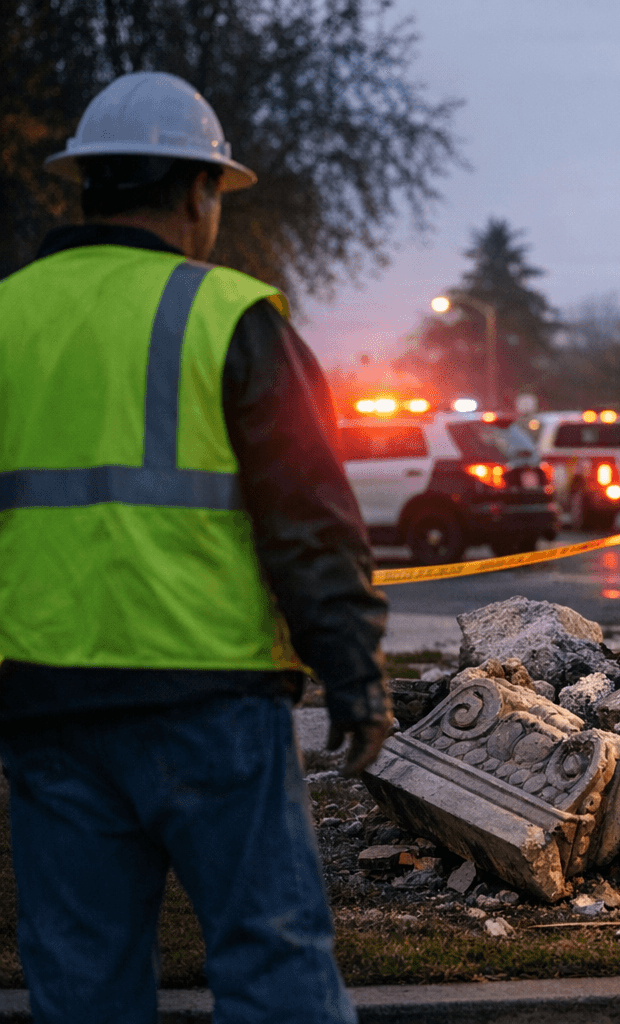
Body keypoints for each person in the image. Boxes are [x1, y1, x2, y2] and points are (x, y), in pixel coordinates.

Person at [0, 71, 391, 1023]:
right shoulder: (232, 317)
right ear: (197, 192)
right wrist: (355, 677)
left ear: (89, 184)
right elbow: (309, 518)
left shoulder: (10, 316)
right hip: (211, 702)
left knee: (80, 987)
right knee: (274, 968)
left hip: (47, 705)